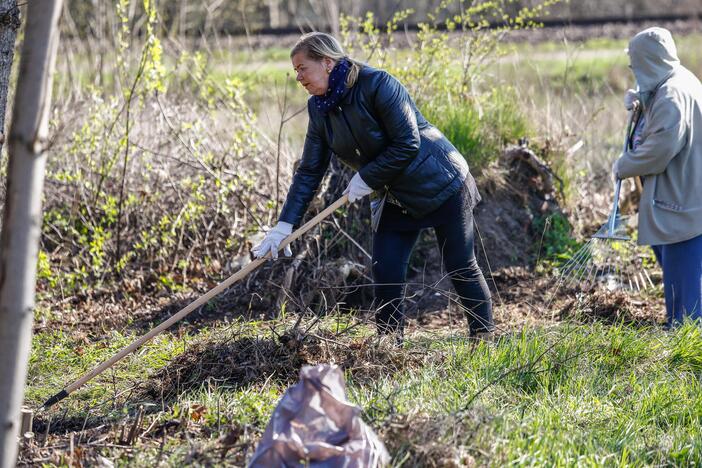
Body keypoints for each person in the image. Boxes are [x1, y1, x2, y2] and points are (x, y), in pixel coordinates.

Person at [252, 32, 494, 341]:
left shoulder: (378, 83)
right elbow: (311, 170)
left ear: (327, 63)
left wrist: (367, 177)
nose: (298, 77)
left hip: (440, 181)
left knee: (460, 264)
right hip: (393, 194)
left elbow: (408, 142)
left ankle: (483, 340)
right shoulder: (319, 109)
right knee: (387, 270)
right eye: (296, 70)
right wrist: (285, 224)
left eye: (302, 68)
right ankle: (389, 345)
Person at [613, 27, 702, 327]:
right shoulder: (678, 80)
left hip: (681, 202)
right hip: (687, 195)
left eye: (636, 63)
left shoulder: (671, 96)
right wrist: (641, 100)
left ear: (648, 61)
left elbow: (659, 151)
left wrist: (625, 164)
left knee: (683, 287)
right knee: (683, 275)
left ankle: (684, 345)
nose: (633, 69)